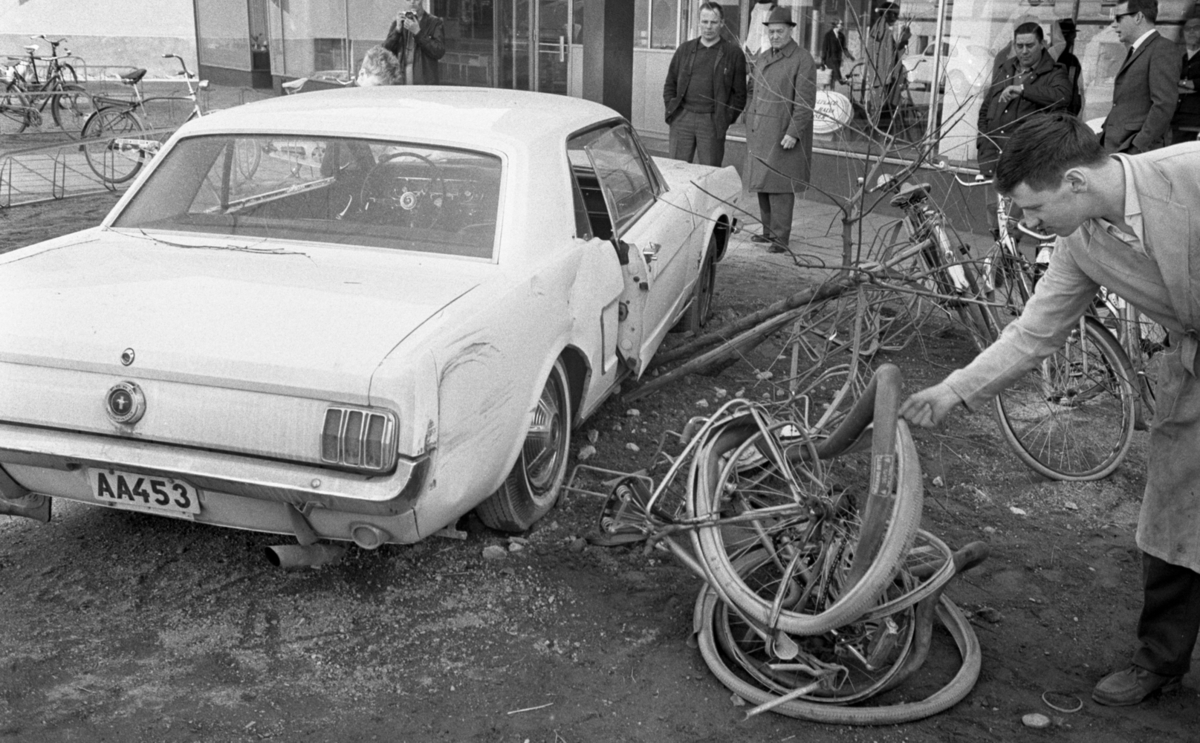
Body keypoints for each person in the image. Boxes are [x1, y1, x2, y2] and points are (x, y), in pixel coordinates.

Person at [900, 112, 1200, 708]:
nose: (1030, 223)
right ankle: (1159, 661)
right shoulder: (1079, 245)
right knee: (1174, 519)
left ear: (1076, 182)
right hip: (1193, 375)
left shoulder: (1189, 173)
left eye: (1034, 208)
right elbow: (1033, 333)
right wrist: (953, 390)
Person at [743, 6, 816, 254]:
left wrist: (793, 133)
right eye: (771, 31)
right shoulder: (763, 57)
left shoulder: (802, 59)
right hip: (761, 131)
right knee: (763, 184)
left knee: (780, 187)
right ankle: (768, 232)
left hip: (783, 133)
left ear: (790, 31)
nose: (774, 36)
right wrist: (749, 116)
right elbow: (752, 90)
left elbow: (805, 102)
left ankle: (780, 238)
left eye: (779, 31)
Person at [976, 22, 1071, 177]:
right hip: (991, 161)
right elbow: (985, 110)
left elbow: (1063, 96)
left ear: (1042, 44)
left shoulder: (1054, 73)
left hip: (1027, 165)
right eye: (1019, 46)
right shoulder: (1005, 69)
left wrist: (1023, 90)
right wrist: (983, 143)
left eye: (1030, 45)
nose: (1024, 51)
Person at [662, 2, 748, 167]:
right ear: (699, 22)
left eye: (713, 22)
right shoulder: (684, 50)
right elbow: (670, 84)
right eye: (705, 21)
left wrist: (724, 118)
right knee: (676, 170)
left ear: (722, 23)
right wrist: (673, 110)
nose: (708, 27)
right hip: (682, 118)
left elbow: (740, 95)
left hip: (712, 121)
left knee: (709, 171)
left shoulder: (733, 53)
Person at [1100, 0, 1180, 153]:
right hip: (1119, 147)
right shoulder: (1138, 50)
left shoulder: (1162, 49)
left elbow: (1164, 105)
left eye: (1119, 18)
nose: (1114, 25)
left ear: (1138, 17)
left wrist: (1138, 146)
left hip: (1134, 152)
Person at [863, 1, 911, 127]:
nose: (896, 17)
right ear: (886, 14)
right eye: (894, 14)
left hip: (883, 76)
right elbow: (886, 56)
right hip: (882, 77)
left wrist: (903, 41)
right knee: (880, 111)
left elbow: (891, 53)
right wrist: (903, 41)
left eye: (897, 14)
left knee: (882, 110)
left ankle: (879, 130)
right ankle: (878, 132)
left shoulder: (882, 29)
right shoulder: (881, 31)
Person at [382, 0, 446, 85]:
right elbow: (385, 51)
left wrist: (418, 33)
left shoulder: (435, 22)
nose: (412, 2)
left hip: (424, 82)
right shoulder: (399, 22)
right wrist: (397, 31)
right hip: (401, 80)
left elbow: (439, 51)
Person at [1170, 16, 1200, 144]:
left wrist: (1182, 83)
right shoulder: (1178, 58)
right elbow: (1167, 83)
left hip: (1194, 121)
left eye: (1196, 28)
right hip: (1174, 117)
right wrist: (1189, 85)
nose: (1191, 32)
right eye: (1187, 29)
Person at [1056, 18, 1083, 116]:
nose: (1072, 41)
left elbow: (1075, 88)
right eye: (1071, 37)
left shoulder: (1072, 61)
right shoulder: (1048, 57)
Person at [821, 19, 854, 87]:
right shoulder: (828, 35)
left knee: (832, 77)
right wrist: (823, 61)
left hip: (838, 59)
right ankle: (844, 81)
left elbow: (844, 48)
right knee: (837, 76)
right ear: (836, 25)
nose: (842, 26)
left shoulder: (841, 36)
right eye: (840, 24)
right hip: (830, 59)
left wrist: (850, 56)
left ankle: (830, 88)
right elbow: (824, 49)